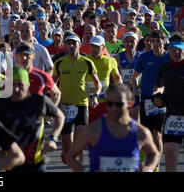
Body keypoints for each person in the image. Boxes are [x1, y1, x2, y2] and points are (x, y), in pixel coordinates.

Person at [67, 84, 160, 172]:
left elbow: (153, 154)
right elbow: (71, 156)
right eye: (110, 104)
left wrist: (148, 168)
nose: (114, 108)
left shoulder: (140, 132)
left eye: (119, 104)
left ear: (130, 103)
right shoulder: (93, 130)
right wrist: (85, 171)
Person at [0, 67, 65, 172]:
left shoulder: (39, 101)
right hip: (10, 163)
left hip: (35, 163)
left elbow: (60, 116)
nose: (16, 89)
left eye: (20, 85)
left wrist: (53, 138)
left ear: (28, 84)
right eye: (12, 85)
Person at [53, 34, 102, 164]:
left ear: (79, 45)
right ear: (65, 46)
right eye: (68, 43)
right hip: (65, 106)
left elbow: (98, 83)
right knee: (68, 150)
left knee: (79, 143)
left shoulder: (87, 62)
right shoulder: (59, 63)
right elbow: (52, 85)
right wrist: (55, 103)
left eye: (74, 43)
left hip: (82, 104)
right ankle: (68, 156)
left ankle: (79, 166)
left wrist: (95, 96)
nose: (71, 46)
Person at [132, 30, 169, 171]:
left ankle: (156, 165)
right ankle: (148, 159)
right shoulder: (144, 57)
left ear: (164, 41)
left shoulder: (168, 58)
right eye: (152, 41)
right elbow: (135, 76)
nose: (155, 44)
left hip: (162, 100)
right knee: (147, 134)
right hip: (146, 100)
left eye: (158, 41)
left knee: (157, 134)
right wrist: (135, 88)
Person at [153, 38, 184, 172]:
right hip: (172, 117)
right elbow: (158, 87)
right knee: (170, 153)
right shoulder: (164, 67)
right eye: (173, 50)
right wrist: (157, 98)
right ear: (169, 50)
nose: (176, 52)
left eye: (179, 49)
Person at [85, 36, 122, 124]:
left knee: (104, 129)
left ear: (103, 47)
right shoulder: (85, 60)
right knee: (90, 130)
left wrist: (119, 89)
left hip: (105, 103)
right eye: (92, 46)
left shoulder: (110, 60)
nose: (94, 49)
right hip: (88, 102)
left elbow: (117, 76)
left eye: (97, 47)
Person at [114, 32, 142, 121]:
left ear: (137, 42)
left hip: (137, 92)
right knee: (122, 120)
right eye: (127, 41)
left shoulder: (141, 56)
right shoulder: (117, 57)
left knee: (135, 122)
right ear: (123, 43)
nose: (130, 44)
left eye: (132, 41)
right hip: (123, 93)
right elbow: (114, 77)